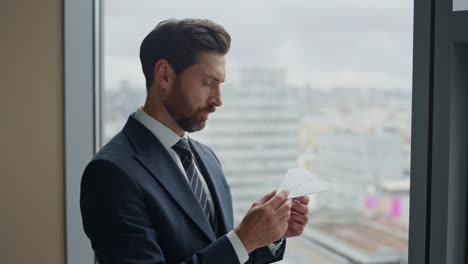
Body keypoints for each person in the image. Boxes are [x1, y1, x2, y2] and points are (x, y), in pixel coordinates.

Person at [80, 18, 310, 264]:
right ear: (165, 75)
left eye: (220, 85)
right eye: (208, 83)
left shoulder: (207, 158)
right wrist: (244, 239)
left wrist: (266, 236)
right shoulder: (111, 173)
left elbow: (225, 255)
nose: (218, 100)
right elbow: (232, 248)